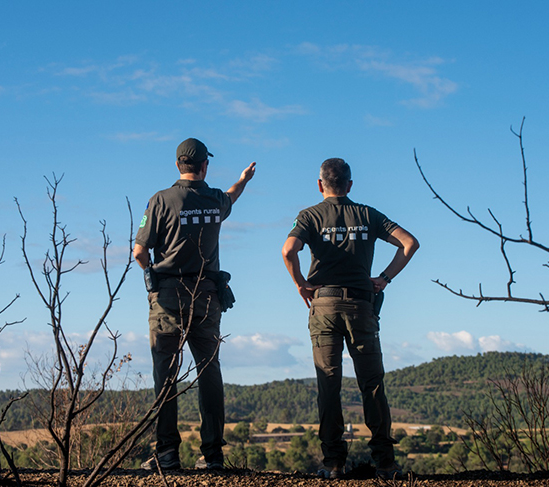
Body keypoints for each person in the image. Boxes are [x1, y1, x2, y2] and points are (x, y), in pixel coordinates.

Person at [281, 158, 418, 480]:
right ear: (350, 186)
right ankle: (385, 463)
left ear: (320, 185)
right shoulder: (368, 214)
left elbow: (289, 251)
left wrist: (301, 284)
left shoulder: (310, 215)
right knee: (372, 384)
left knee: (328, 384)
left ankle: (333, 463)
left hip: (324, 306)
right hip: (361, 306)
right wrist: (384, 278)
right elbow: (410, 243)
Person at [133, 138, 256, 471]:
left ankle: (168, 454)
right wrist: (244, 179)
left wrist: (154, 275)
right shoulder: (214, 199)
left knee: (166, 375)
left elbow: (139, 252)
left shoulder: (160, 201)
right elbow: (231, 195)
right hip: (206, 297)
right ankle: (213, 454)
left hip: (168, 298)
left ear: (177, 165)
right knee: (209, 372)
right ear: (205, 166)